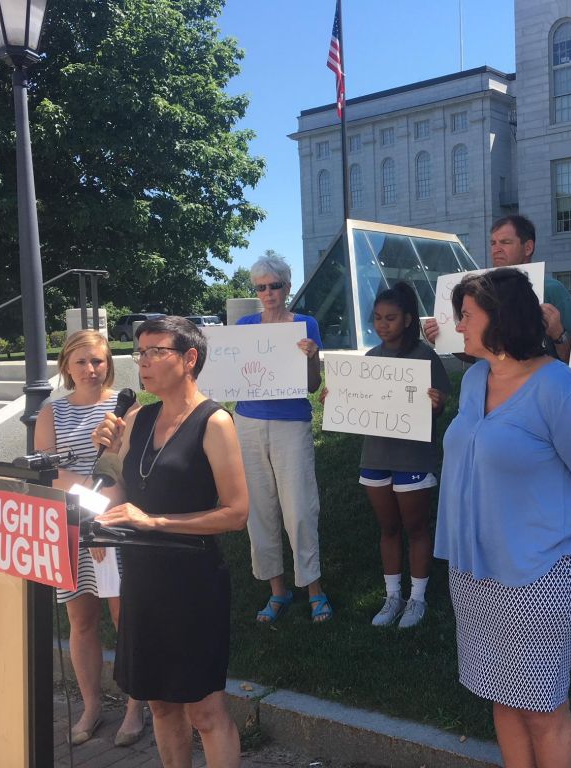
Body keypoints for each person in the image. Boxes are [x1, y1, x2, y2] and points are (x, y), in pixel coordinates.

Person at [435, 268, 571, 768]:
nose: (459, 326)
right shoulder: (476, 379)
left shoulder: (558, 388)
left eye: (467, 316)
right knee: (502, 694)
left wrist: (570, 521)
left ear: (500, 320)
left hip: (537, 571)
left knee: (543, 706)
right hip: (475, 569)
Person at [91, 316, 249, 767]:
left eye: (156, 351)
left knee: (204, 708)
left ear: (189, 358)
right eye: (139, 352)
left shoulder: (214, 421)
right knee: (159, 702)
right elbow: (123, 494)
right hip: (142, 579)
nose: (143, 362)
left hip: (193, 581)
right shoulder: (137, 418)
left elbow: (236, 513)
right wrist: (102, 456)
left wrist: (155, 522)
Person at [34, 330, 146, 747]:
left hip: (112, 523)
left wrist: (100, 496)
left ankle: (136, 706)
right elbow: (50, 470)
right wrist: (86, 490)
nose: (91, 369)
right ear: (66, 366)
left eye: (98, 360)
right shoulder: (51, 412)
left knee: (124, 617)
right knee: (81, 620)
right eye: (81, 362)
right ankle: (92, 705)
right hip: (70, 525)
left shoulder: (126, 407)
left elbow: (124, 469)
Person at [324, 283, 451, 628]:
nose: (383, 324)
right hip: (376, 456)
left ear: (408, 319)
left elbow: (438, 405)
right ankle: (392, 595)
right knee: (388, 527)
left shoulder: (424, 356)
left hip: (413, 457)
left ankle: (418, 598)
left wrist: (436, 403)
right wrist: (337, 401)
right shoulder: (370, 360)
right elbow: (358, 403)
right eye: (378, 318)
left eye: (391, 318)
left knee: (416, 527)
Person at [232, 255, 332, 622]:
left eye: (275, 285)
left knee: (301, 507)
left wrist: (312, 356)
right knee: (259, 507)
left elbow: (311, 385)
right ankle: (277, 590)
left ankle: (313, 587)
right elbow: (232, 374)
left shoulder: (305, 325)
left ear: (288, 286)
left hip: (291, 422)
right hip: (249, 421)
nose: (269, 293)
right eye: (261, 287)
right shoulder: (244, 326)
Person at [423, 214, 571, 362]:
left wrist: (559, 334)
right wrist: (443, 338)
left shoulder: (551, 289)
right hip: (491, 382)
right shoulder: (481, 291)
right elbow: (476, 357)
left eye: (505, 242)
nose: (496, 249)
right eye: (493, 243)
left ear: (528, 247)